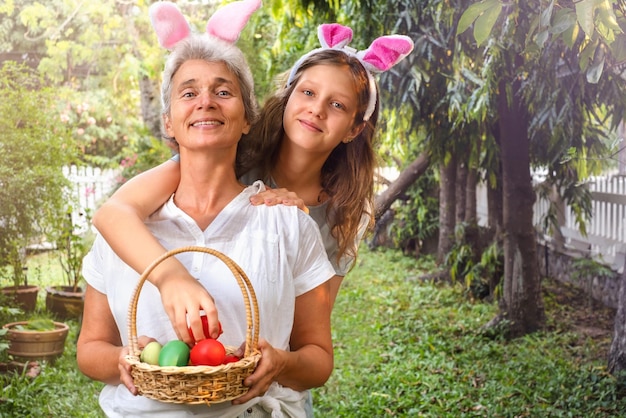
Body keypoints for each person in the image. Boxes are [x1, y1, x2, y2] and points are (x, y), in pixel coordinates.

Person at [76, 2, 335, 417]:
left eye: (223, 91)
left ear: (247, 117)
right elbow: (89, 350)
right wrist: (121, 360)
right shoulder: (125, 230)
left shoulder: (286, 221)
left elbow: (319, 359)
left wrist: (282, 363)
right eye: (189, 92)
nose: (206, 102)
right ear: (168, 121)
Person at [92, 22, 415, 345]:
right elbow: (114, 213)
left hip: (266, 361)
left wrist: (291, 229)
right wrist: (171, 277)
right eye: (308, 93)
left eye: (337, 105)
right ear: (287, 97)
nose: (316, 109)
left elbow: (310, 327)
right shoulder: (231, 153)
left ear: (353, 129)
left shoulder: (346, 211)